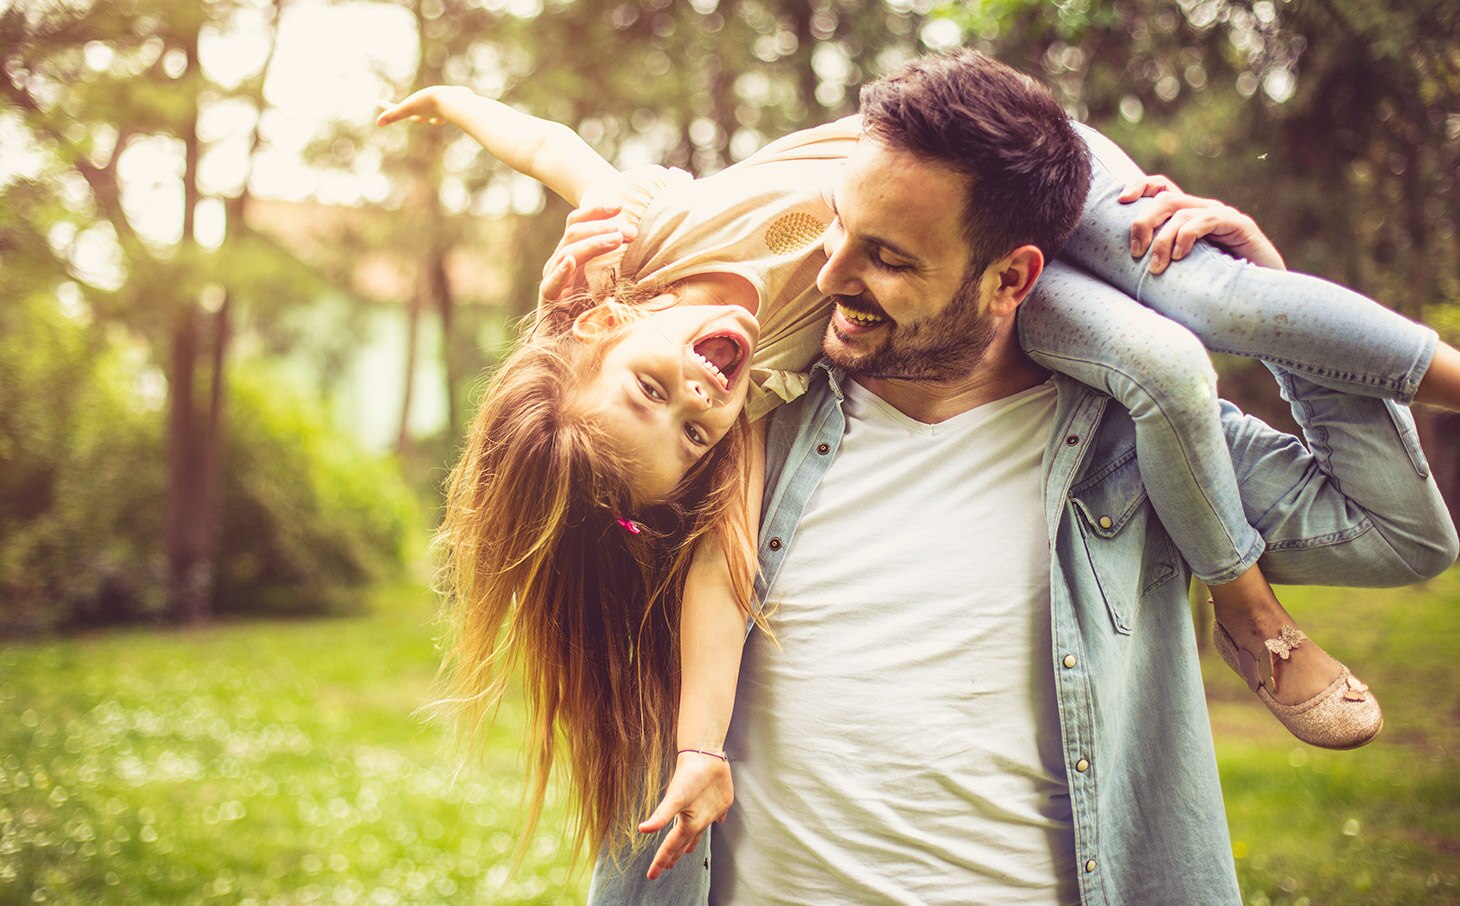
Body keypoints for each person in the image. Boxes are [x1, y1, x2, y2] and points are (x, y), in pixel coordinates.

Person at [376, 50, 1460, 880]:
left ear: (1009, 279)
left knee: (1178, 348)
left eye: (885, 258)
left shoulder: (1126, 434)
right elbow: (593, 482)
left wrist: (1274, 323)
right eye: (843, 228)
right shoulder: (752, 432)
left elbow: (1399, 533)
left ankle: (1249, 610)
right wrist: (572, 319)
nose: (824, 265)